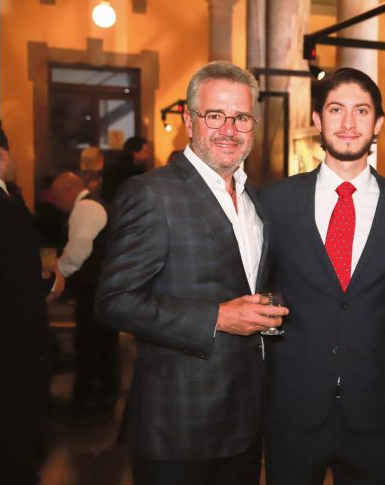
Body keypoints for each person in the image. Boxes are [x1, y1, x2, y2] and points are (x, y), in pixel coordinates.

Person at [95, 61, 287, 485]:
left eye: (240, 117)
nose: (229, 129)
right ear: (189, 120)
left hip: (246, 420)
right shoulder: (152, 193)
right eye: (214, 115)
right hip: (177, 426)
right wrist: (217, 317)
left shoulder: (256, 200)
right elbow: (114, 301)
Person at [260, 67, 385, 484]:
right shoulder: (275, 201)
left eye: (361, 111)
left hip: (374, 410)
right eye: (336, 110)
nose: (349, 124)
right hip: (292, 407)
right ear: (317, 119)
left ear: (378, 124)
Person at [0, 126, 62, 484]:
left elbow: (40, 244)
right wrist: (52, 278)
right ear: (2, 155)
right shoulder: (7, 208)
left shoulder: (16, 199)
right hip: (14, 352)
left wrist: (50, 268)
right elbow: (27, 271)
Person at [51, 171, 117, 418]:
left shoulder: (86, 207)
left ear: (68, 192)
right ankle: (100, 400)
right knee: (101, 347)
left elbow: (77, 251)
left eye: (58, 198)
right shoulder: (96, 204)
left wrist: (57, 276)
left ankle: (86, 403)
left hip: (96, 290)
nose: (58, 205)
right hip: (104, 288)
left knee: (90, 346)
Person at [102, 135, 151, 203]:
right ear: (135, 154)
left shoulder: (111, 170)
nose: (148, 156)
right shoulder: (139, 175)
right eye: (145, 152)